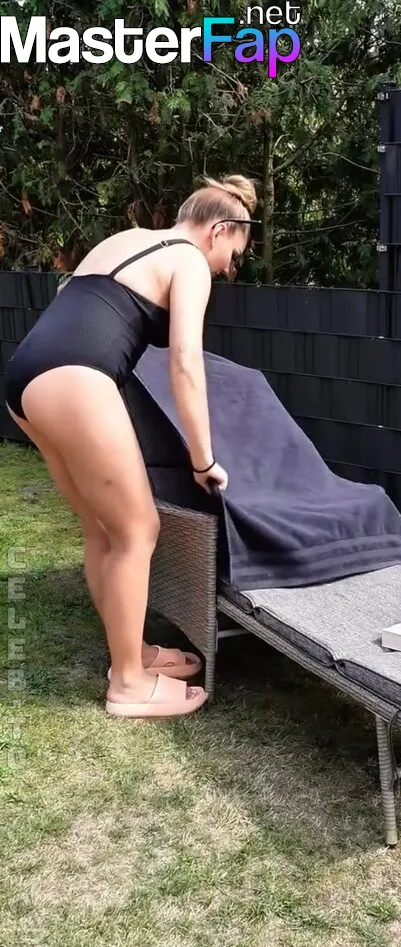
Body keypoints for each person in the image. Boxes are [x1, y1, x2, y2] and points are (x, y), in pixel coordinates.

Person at [5, 174, 259, 719]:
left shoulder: (128, 239)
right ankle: (127, 684)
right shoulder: (189, 260)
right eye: (233, 256)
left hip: (26, 376)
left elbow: (77, 304)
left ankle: (134, 653)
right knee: (138, 529)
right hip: (76, 377)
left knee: (102, 529)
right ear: (218, 230)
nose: (225, 269)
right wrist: (203, 459)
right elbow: (185, 362)